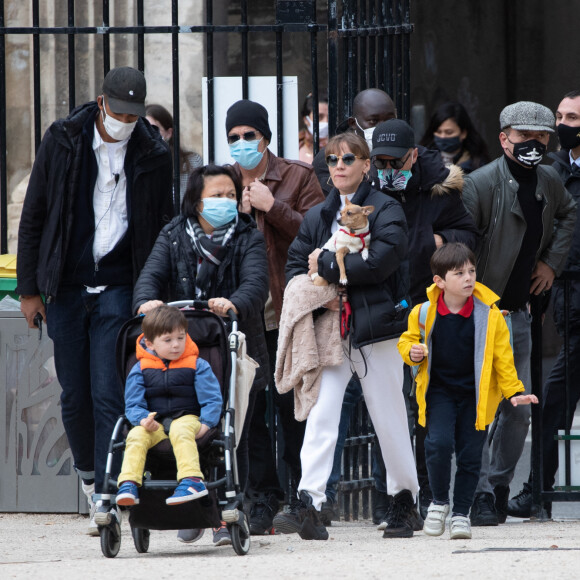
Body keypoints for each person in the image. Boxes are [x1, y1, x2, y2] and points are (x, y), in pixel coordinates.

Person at [16, 66, 173, 535]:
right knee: (74, 394)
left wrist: (156, 291)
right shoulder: (64, 138)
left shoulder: (152, 151)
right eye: (119, 112)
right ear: (102, 103)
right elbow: (35, 213)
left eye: (134, 114)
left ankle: (109, 488)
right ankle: (89, 477)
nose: (125, 121)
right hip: (65, 283)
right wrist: (28, 289)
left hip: (122, 284)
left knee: (109, 390)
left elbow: (161, 224)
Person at [273, 131, 420, 541]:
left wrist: (325, 266)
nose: (339, 166)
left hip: (378, 329)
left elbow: (381, 265)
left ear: (366, 164)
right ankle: (311, 502)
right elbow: (293, 273)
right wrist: (322, 288)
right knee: (321, 413)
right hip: (331, 331)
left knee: (389, 416)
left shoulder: (387, 208)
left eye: (349, 158)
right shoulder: (319, 214)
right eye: (333, 159)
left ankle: (404, 502)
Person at [132, 163, 269, 546]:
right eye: (217, 195)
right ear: (196, 201)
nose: (226, 201)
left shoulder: (247, 235)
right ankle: (186, 510)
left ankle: (227, 511)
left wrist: (234, 302)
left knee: (229, 431)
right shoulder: (173, 234)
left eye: (231, 194)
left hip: (232, 347)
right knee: (177, 425)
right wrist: (146, 301)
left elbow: (257, 285)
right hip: (177, 352)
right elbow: (150, 276)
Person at [462, 101, 577, 527]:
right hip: (480, 314)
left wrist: (551, 263)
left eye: (541, 137)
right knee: (477, 406)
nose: (533, 144)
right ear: (503, 137)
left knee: (519, 406)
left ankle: (498, 487)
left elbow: (567, 213)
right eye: (523, 136)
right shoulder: (480, 184)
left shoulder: (548, 179)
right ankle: (476, 495)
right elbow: (463, 247)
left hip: (519, 315)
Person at [225, 99, 325, 535]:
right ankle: (262, 496)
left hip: (288, 314)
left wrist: (271, 206)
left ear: (266, 137)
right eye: (234, 137)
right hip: (244, 316)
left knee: (293, 410)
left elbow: (320, 234)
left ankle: (304, 496)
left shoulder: (296, 176)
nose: (243, 143)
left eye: (250, 135)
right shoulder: (222, 182)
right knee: (250, 412)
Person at [370, 118, 479, 519]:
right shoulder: (369, 187)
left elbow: (468, 236)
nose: (388, 169)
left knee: (425, 408)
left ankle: (432, 495)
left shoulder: (439, 190)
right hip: (381, 308)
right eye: (380, 161)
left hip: (427, 309)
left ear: (413, 156)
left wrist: (438, 242)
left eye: (396, 161)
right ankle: (393, 499)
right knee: (386, 407)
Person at [398, 243, 538, 540]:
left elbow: (503, 358)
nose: (468, 278)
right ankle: (438, 503)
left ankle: (461, 514)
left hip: (476, 397)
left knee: (471, 455)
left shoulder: (490, 316)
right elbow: (407, 342)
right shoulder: (422, 313)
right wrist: (413, 352)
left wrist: (514, 391)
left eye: (471, 271)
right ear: (439, 281)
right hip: (439, 392)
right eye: (459, 273)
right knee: (437, 444)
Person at [508, 90, 580, 519]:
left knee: (553, 397)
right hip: (568, 303)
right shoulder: (550, 172)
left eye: (572, 116)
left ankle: (538, 489)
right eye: (561, 116)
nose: (564, 123)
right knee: (553, 399)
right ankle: (539, 490)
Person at [116, 305, 222, 507]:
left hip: (188, 418)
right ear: (150, 343)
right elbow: (133, 404)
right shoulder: (140, 369)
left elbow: (212, 399)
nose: (176, 345)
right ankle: (128, 482)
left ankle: (192, 480)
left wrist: (207, 424)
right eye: (168, 340)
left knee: (180, 429)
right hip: (155, 423)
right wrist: (143, 420)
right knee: (136, 435)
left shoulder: (197, 365)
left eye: (181, 338)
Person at [312, 88, 397, 195]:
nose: (382, 128)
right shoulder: (330, 157)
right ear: (353, 123)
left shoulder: (407, 152)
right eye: (373, 121)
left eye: (389, 120)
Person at [145, 103, 203, 205]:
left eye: (154, 129)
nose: (148, 134)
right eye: (144, 128)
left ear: (169, 133)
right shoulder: (134, 164)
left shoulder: (192, 162)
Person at [419, 102, 490, 173]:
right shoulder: (422, 160)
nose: (442, 136)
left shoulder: (477, 164)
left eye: (449, 132)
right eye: (438, 132)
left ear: (463, 133)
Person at [299, 92, 329, 164]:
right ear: (306, 120)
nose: (326, 121)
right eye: (319, 117)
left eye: (329, 117)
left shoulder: (342, 146)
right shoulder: (294, 146)